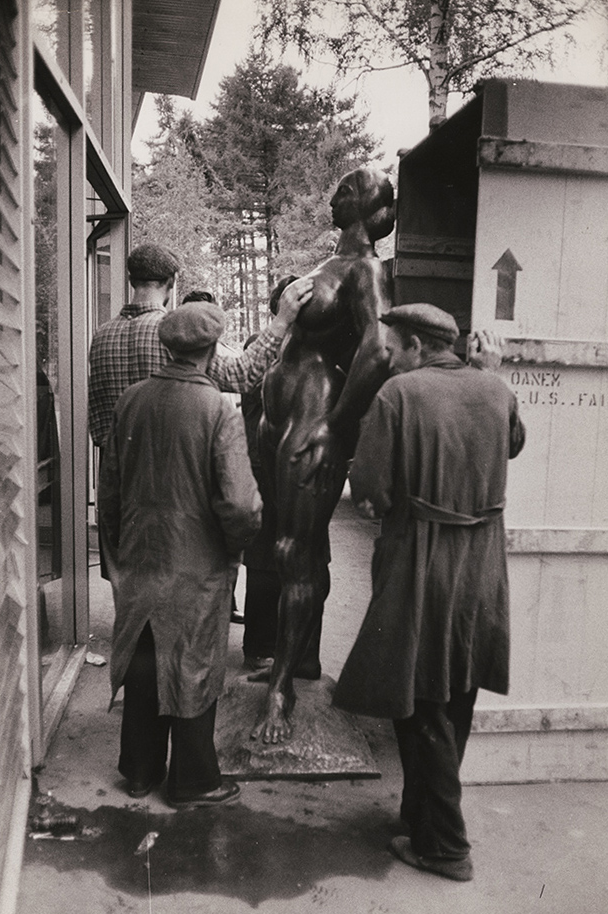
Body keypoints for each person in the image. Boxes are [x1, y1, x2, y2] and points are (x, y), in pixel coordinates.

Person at [332, 304, 526, 881]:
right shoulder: (494, 389)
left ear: (416, 345)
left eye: (394, 346)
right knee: (456, 687)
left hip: (422, 560)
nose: (388, 356)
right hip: (483, 563)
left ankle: (446, 847)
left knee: (417, 698)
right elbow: (512, 443)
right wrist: (494, 373)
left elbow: (367, 491)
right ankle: (420, 817)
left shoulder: (398, 395)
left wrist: (395, 512)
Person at [250, 168, 395, 744]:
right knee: (292, 548)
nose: (331, 196)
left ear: (365, 207)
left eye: (344, 190)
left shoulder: (366, 270)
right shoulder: (324, 266)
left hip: (312, 421)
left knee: (293, 551)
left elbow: (379, 348)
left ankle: (282, 689)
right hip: (279, 421)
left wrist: (335, 427)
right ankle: (301, 660)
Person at [99, 302, 262, 807]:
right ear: (212, 352)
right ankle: (194, 781)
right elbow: (240, 502)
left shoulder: (131, 400)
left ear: (167, 347)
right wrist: (236, 545)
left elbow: (110, 490)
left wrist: (116, 557)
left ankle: (141, 771)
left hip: (142, 555)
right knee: (194, 661)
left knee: (147, 654)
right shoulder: (218, 410)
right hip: (197, 563)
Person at [88, 242, 312, 580]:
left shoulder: (101, 337)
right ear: (171, 282)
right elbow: (242, 375)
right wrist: (281, 322)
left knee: (134, 601)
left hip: (120, 493)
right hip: (175, 493)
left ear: (132, 279)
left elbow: (100, 426)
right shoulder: (176, 335)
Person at [240, 276, 298, 671]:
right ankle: (260, 645)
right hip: (265, 462)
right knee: (264, 558)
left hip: (288, 464)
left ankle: (283, 643)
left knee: (287, 556)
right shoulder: (264, 346)